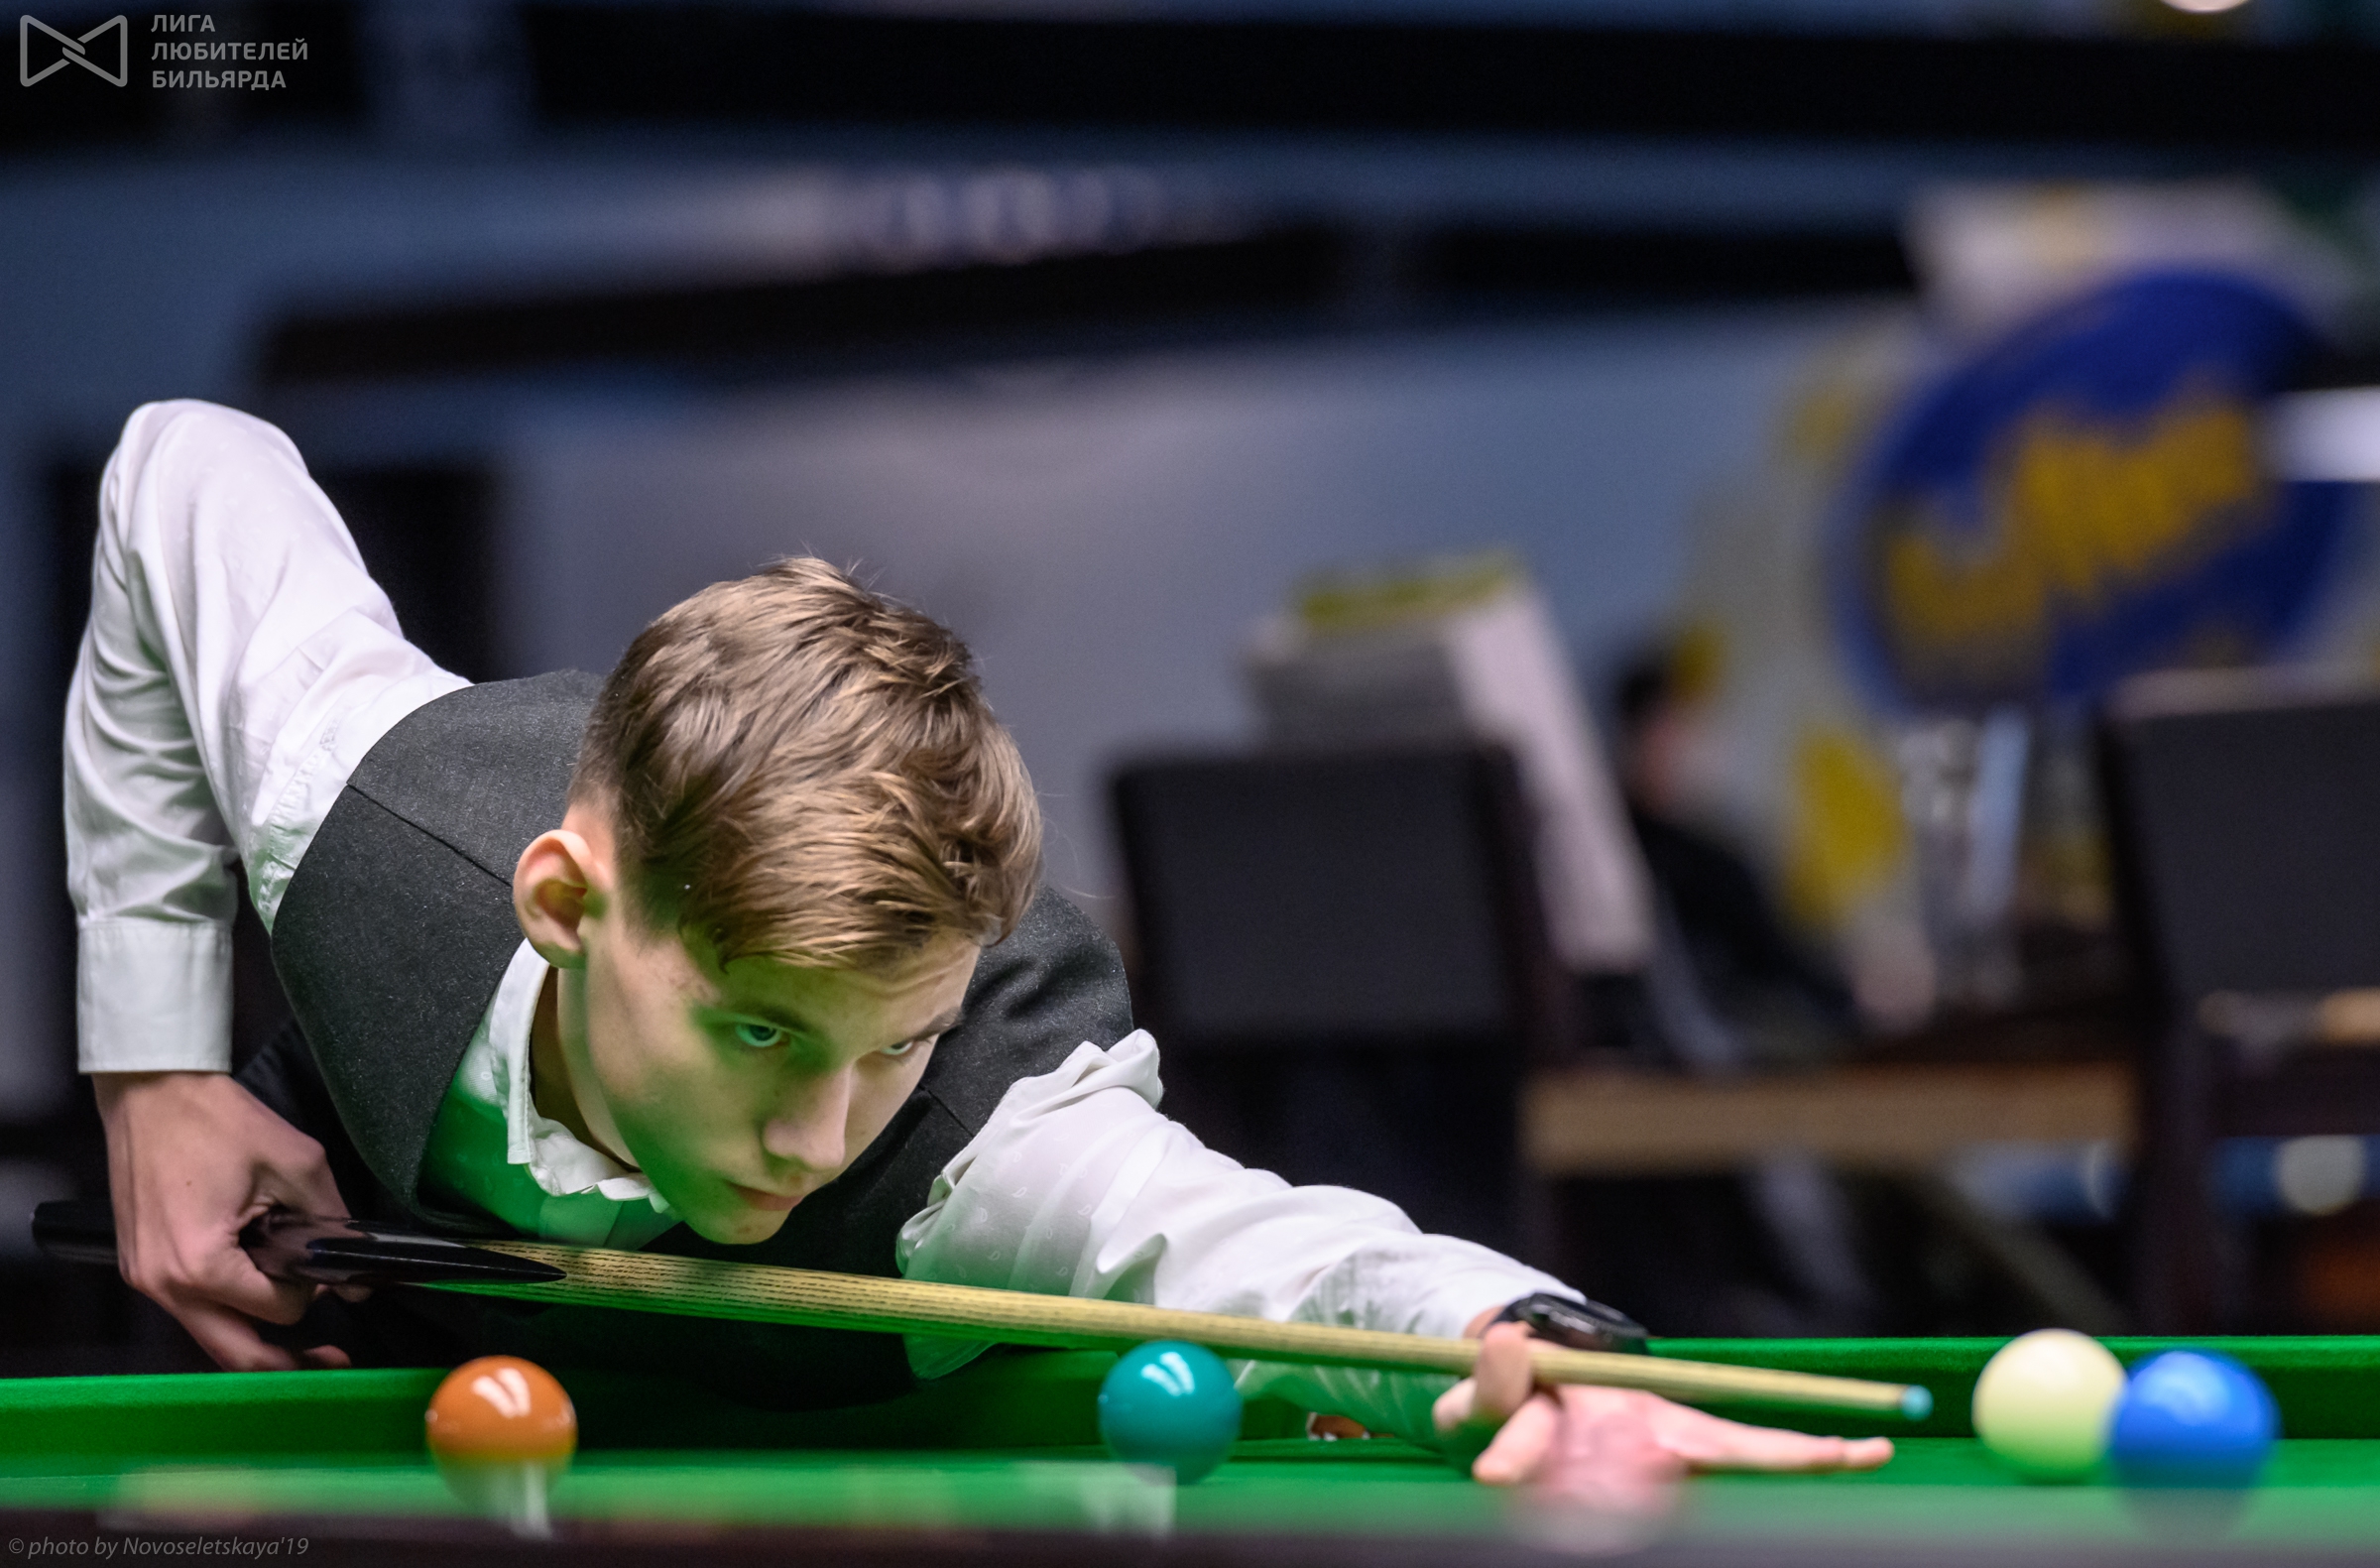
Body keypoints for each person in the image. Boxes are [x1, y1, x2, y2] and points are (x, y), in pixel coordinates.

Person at [68, 400, 1889, 1498]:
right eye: (764, 1033)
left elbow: (1271, 1252)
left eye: (891, 1043)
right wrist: (153, 1069)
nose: (819, 1135)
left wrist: (1532, 1337)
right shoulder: (370, 810)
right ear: (566, 901)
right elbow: (182, 462)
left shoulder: (991, 1136)